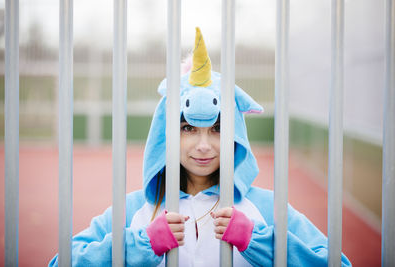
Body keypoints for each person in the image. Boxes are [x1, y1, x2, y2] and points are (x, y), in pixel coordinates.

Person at [49, 27, 351, 267]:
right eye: (188, 128)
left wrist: (260, 242)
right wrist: (137, 246)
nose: (204, 145)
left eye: (218, 129)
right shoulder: (135, 210)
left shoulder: (266, 208)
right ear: (166, 134)